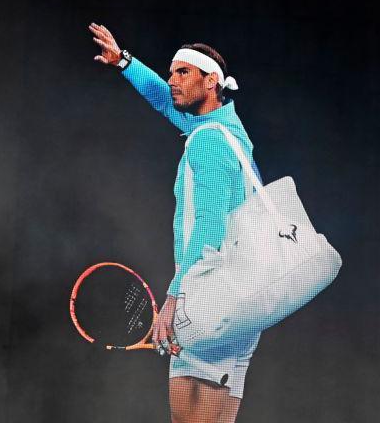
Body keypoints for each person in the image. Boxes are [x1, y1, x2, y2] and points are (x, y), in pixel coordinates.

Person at [89, 22, 261, 423]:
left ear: (212, 81)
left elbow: (211, 226)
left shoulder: (208, 141)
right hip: (240, 305)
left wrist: (175, 296)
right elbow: (165, 103)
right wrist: (124, 62)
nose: (172, 81)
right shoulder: (228, 130)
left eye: (183, 73)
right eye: (171, 73)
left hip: (207, 296)